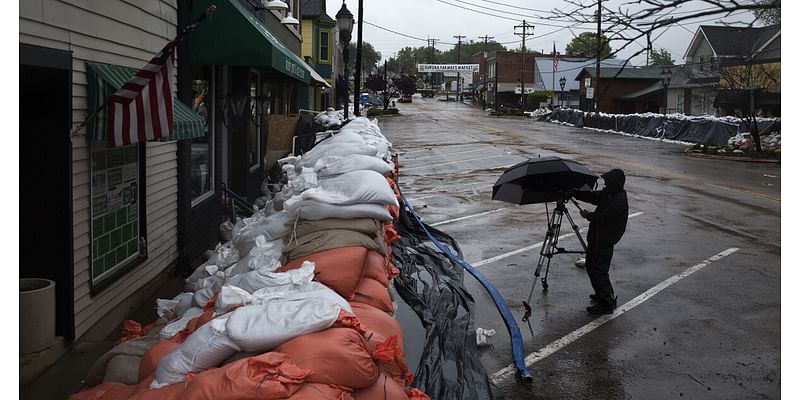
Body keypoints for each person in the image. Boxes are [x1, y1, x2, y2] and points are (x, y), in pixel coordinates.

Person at [572, 168, 629, 315]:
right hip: (599, 237)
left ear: (614, 183)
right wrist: (574, 193)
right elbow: (594, 197)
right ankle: (605, 295)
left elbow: (602, 217)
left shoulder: (618, 201)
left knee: (596, 269)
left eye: (607, 181)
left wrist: (588, 215)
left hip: (604, 239)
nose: (604, 184)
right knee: (598, 268)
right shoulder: (611, 194)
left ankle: (606, 304)